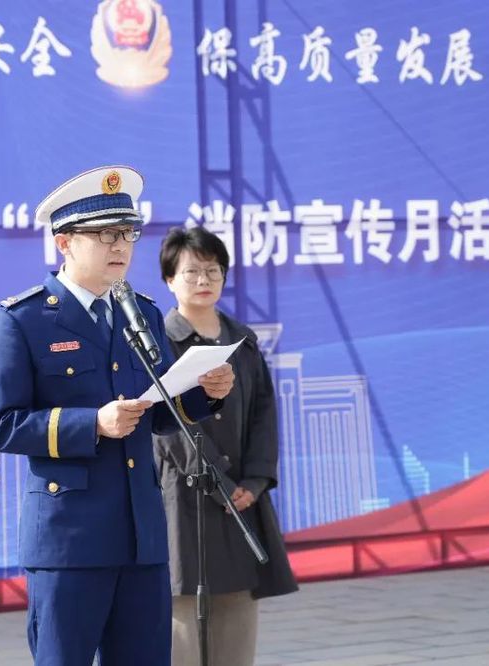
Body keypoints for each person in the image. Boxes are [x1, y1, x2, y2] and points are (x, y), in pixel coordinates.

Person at [0, 166, 235, 665]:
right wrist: (92, 423)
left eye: (126, 233)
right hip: (70, 541)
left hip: (141, 537)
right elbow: (1, 424)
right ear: (64, 243)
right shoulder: (21, 320)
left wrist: (206, 394)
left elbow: (158, 410)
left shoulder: (140, 312)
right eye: (103, 235)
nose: (119, 246)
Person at [154, 226, 298, 666]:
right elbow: (166, 425)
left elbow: (263, 413)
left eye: (213, 271)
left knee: (238, 609)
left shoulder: (242, 341)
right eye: (192, 271)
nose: (204, 280)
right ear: (170, 280)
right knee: (183, 615)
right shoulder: (159, 341)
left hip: (242, 497)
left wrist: (253, 482)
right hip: (184, 497)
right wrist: (218, 480)